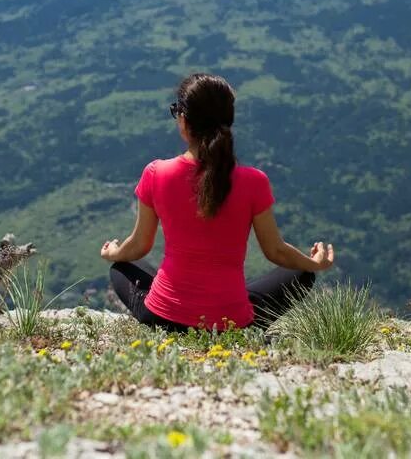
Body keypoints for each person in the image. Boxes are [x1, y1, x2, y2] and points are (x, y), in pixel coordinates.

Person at [100, 73, 334, 331]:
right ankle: (231, 309)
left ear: (184, 120)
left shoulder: (157, 173)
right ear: (228, 122)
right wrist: (315, 263)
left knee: (122, 266)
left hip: (164, 319)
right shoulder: (254, 181)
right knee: (301, 273)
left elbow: (139, 246)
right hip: (232, 324)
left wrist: (114, 253)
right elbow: (275, 251)